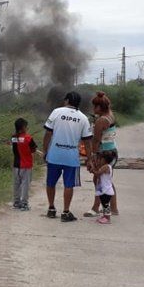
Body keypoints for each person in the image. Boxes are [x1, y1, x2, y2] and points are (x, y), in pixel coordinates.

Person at [43, 91, 93, 222]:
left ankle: (51, 209)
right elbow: (87, 142)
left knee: (51, 182)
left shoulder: (56, 112)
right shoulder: (83, 118)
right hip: (71, 157)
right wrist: (89, 159)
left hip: (54, 155)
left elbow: (48, 134)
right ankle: (65, 212)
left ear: (66, 101)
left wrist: (45, 151)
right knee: (68, 185)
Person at [84, 91, 119, 217]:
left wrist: (92, 159)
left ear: (99, 107)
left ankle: (95, 207)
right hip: (112, 151)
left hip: (103, 153)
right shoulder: (110, 115)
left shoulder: (101, 121)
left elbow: (96, 141)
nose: (93, 109)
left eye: (95, 106)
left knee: (98, 179)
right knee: (107, 180)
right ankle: (114, 208)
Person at [11, 118, 37, 211]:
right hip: (26, 165)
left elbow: (14, 149)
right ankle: (24, 203)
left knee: (16, 184)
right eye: (26, 126)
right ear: (23, 128)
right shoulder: (28, 138)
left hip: (16, 165)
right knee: (25, 185)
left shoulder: (13, 137)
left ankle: (16, 202)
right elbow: (33, 149)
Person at [93, 150, 116, 225]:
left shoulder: (106, 167)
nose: (99, 161)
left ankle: (107, 218)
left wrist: (93, 170)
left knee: (105, 204)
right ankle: (104, 216)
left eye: (100, 159)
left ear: (104, 160)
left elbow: (98, 173)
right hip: (104, 189)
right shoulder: (107, 166)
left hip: (107, 190)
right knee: (104, 203)